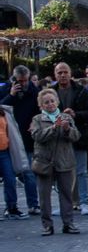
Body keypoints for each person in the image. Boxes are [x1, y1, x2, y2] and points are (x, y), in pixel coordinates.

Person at [31, 89, 81, 236]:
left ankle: (68, 223)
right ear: (41, 105)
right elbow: (37, 136)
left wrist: (67, 129)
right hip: (44, 162)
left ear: (57, 102)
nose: (50, 104)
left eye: (52, 101)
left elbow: (76, 136)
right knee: (44, 195)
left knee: (66, 194)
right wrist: (53, 128)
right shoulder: (37, 120)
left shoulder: (66, 117)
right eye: (46, 102)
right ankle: (47, 225)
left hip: (64, 161)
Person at [52, 63, 88, 214]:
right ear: (55, 74)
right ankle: (64, 203)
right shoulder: (51, 92)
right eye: (59, 72)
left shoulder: (81, 91)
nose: (62, 75)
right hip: (59, 138)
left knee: (81, 171)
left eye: (65, 72)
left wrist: (76, 114)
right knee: (61, 172)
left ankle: (83, 202)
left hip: (78, 135)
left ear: (70, 74)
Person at [3, 66, 41, 216]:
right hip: (9, 137)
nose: (23, 84)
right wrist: (11, 95)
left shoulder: (34, 92)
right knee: (9, 175)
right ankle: (11, 206)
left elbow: (39, 110)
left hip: (26, 137)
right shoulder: (7, 89)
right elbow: (2, 107)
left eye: (25, 80)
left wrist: (34, 123)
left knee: (29, 173)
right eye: (20, 81)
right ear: (14, 79)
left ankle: (33, 204)